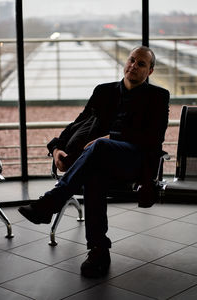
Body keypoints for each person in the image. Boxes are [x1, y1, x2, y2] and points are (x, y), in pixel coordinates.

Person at [18, 46, 170, 278]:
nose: (133, 66)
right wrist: (57, 147)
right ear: (125, 62)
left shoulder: (158, 97)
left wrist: (113, 138)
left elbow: (154, 138)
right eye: (131, 60)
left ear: (150, 70)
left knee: (99, 147)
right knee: (94, 173)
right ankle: (98, 250)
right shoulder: (104, 92)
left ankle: (51, 202)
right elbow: (79, 123)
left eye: (141, 64)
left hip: (133, 162)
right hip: (98, 160)